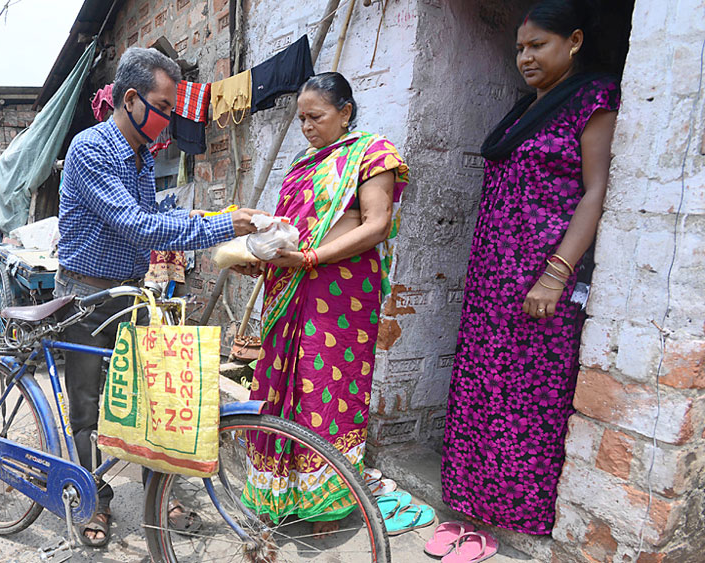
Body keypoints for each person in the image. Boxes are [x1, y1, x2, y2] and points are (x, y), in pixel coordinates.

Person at [55, 46, 265, 547]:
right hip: (84, 297)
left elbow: (153, 220)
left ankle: (157, 496)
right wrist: (221, 223)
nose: (170, 119)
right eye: (165, 107)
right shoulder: (91, 149)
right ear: (131, 100)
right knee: (87, 407)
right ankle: (94, 499)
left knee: (151, 400)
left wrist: (223, 235)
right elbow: (137, 225)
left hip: (130, 295)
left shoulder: (141, 158)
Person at [441, 0, 620, 535]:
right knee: (480, 385)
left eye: (537, 45)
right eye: (520, 48)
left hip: (538, 278)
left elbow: (596, 191)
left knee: (524, 397)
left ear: (575, 41)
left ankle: (512, 515)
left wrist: (556, 273)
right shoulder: (522, 110)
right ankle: (470, 504)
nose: (525, 57)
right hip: (492, 273)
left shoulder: (593, 98)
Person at [232, 72, 408, 538]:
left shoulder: (372, 153)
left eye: (317, 117)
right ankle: (276, 494)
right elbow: (288, 226)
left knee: (323, 385)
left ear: (345, 112)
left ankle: (325, 505)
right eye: (301, 119)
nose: (307, 127)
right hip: (289, 287)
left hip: (340, 294)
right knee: (277, 385)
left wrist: (311, 257)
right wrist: (262, 258)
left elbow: (377, 224)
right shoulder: (302, 162)